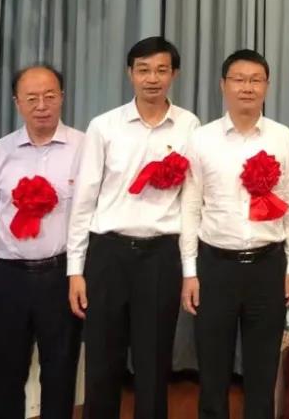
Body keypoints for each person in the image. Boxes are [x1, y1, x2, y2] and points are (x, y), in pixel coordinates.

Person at [67, 37, 201, 419]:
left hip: (161, 255)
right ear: (130, 74)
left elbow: (191, 204)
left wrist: (189, 269)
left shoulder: (190, 126)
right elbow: (84, 200)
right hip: (108, 254)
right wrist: (75, 270)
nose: (152, 79)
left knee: (154, 363)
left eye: (161, 70)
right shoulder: (104, 126)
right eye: (143, 70)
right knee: (102, 362)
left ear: (174, 74)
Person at [183, 48, 289, 419]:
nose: (247, 87)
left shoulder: (283, 137)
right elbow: (190, 208)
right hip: (214, 266)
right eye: (239, 79)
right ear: (223, 85)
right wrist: (189, 272)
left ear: (267, 85)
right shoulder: (202, 139)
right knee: (212, 368)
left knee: (262, 370)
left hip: (268, 265)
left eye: (255, 80)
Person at [0, 64, 84, 419]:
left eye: (49, 96)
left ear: (62, 98)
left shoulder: (85, 148)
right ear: (17, 103)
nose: (42, 105)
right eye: (31, 98)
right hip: (9, 276)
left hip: (61, 275)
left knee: (60, 371)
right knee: (6, 371)